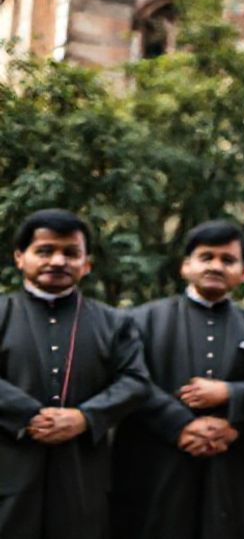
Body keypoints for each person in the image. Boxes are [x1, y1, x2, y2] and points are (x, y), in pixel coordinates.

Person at [112, 221, 244, 539]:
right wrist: (181, 425)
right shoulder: (139, 320)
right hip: (156, 457)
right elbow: (129, 380)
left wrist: (232, 400)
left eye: (228, 260)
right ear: (186, 266)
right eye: (205, 257)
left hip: (232, 460)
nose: (215, 266)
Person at [0, 209, 150, 539]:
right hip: (9, 465)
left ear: (87, 264)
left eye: (71, 253)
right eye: (45, 251)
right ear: (20, 258)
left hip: (83, 473)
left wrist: (85, 417)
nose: (58, 261)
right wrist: (29, 415)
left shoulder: (114, 322)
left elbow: (136, 381)